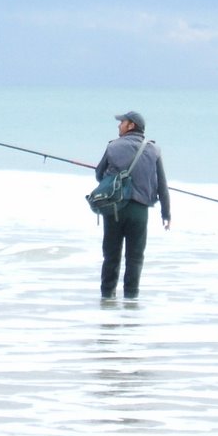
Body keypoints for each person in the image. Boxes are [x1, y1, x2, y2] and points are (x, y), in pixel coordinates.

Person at [93, 111, 171, 299]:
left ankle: (107, 297)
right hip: (139, 211)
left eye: (122, 122)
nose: (119, 125)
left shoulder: (112, 147)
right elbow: (162, 184)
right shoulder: (153, 150)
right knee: (135, 258)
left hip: (114, 209)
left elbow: (99, 174)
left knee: (111, 256)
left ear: (131, 126)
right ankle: (131, 300)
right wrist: (166, 214)